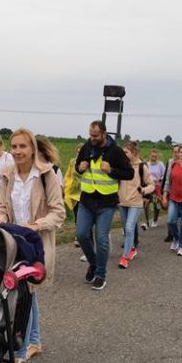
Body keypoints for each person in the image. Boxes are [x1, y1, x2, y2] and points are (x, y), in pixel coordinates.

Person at [0, 128, 65, 362]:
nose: (17, 151)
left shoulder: (46, 175)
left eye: (22, 146)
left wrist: (35, 225)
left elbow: (59, 212)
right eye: (13, 147)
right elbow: (3, 207)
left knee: (26, 293)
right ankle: (34, 341)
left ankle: (21, 353)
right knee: (26, 294)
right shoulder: (7, 175)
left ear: (32, 148)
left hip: (36, 244)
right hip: (14, 244)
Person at [75, 120, 134, 290]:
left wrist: (111, 171)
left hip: (106, 203)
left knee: (101, 239)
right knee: (81, 235)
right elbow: (78, 168)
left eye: (95, 136)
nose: (92, 138)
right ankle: (94, 264)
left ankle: (100, 274)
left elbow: (129, 174)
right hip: (86, 199)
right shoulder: (87, 148)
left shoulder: (115, 151)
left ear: (104, 133)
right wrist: (80, 167)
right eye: (90, 135)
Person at [118, 142, 154, 269]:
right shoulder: (121, 166)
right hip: (122, 202)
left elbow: (152, 185)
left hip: (136, 203)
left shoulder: (141, 167)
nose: (123, 154)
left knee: (129, 228)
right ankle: (132, 248)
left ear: (133, 152)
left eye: (126, 152)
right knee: (126, 228)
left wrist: (144, 190)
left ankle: (125, 257)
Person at [63, 144, 83, 247]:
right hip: (74, 194)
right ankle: (78, 235)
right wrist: (65, 184)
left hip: (84, 194)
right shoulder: (72, 162)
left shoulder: (87, 163)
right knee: (76, 216)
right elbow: (68, 174)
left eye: (81, 152)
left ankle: (80, 237)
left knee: (81, 216)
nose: (79, 153)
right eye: (78, 152)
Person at [143, 149, 165, 229]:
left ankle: (155, 220)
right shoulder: (147, 164)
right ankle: (147, 221)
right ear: (150, 156)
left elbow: (164, 175)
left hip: (157, 186)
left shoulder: (160, 164)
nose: (154, 157)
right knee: (146, 204)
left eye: (155, 156)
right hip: (148, 186)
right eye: (152, 156)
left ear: (157, 157)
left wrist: (159, 179)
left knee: (157, 204)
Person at [162, 145, 180, 242]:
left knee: (178, 215)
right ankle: (170, 233)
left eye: (178, 151)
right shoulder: (170, 162)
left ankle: (177, 232)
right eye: (174, 152)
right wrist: (163, 191)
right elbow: (166, 177)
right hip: (170, 190)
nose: (176, 154)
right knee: (170, 214)